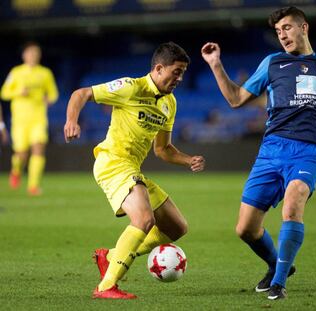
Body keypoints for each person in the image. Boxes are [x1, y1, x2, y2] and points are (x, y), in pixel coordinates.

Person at [201, 6, 316, 300]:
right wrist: (215, 64)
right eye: (278, 31)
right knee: (245, 228)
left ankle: (278, 283)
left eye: (287, 28)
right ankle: (279, 266)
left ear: (304, 28)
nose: (282, 35)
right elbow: (236, 99)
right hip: (272, 149)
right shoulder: (272, 63)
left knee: (293, 202)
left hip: (309, 149)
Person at [64, 42, 205, 300]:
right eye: (176, 72)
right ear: (159, 68)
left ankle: (112, 255)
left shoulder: (169, 104)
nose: (180, 78)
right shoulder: (130, 87)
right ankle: (106, 287)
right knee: (144, 220)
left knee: (176, 228)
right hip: (113, 163)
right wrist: (72, 120)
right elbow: (81, 94)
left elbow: (162, 149)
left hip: (132, 169)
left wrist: (188, 160)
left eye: (183, 73)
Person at [0, 42, 59, 195]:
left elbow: (53, 93)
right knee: (21, 153)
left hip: (38, 118)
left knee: (38, 148)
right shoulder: (16, 72)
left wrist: (49, 99)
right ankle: (16, 171)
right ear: (24, 55)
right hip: (20, 119)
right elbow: (4, 92)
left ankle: (33, 186)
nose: (33, 56)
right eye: (30, 53)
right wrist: (19, 92)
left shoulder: (45, 73)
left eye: (36, 53)